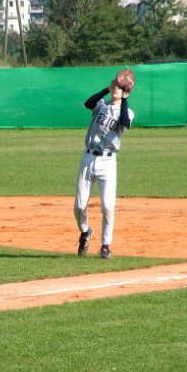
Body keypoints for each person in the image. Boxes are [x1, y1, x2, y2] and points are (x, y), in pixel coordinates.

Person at [74, 72, 135, 259]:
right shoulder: (101, 105)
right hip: (88, 157)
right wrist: (106, 90)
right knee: (78, 206)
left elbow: (125, 122)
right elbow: (87, 103)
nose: (116, 88)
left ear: (126, 91)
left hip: (108, 161)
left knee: (108, 207)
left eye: (120, 86)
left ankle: (105, 245)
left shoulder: (127, 112)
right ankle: (85, 232)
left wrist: (123, 98)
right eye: (114, 85)